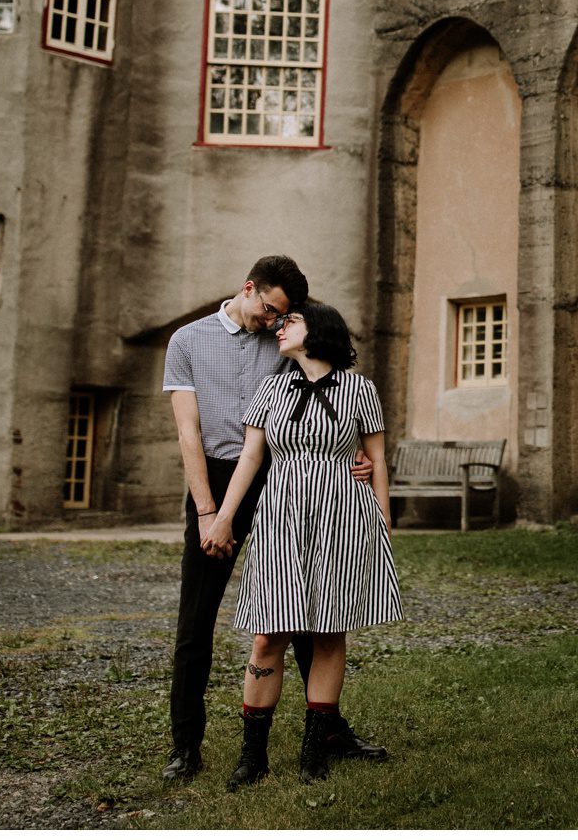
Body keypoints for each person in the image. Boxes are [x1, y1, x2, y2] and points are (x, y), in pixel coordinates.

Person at [159, 256, 387, 781]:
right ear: (248, 289)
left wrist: (356, 455)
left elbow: (322, 397)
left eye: (282, 316)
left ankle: (328, 732)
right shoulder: (188, 341)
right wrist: (208, 512)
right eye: (269, 309)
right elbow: (188, 433)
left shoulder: (284, 340)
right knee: (196, 621)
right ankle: (185, 745)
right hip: (219, 481)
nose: (273, 321)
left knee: (306, 614)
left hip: (285, 479)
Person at [209, 299, 400, 788]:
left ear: (319, 330)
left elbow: (377, 460)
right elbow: (250, 458)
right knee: (267, 636)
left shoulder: (361, 390)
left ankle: (314, 751)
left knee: (329, 632)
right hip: (281, 518)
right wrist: (224, 517)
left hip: (345, 519)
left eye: (290, 321)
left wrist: (383, 523)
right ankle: (253, 756)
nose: (280, 327)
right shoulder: (271, 388)